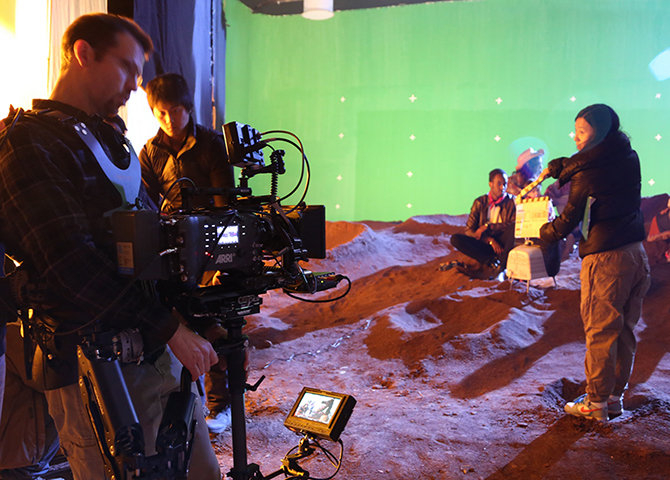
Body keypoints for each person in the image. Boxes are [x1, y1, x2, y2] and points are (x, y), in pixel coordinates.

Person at [0, 13, 221, 479]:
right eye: (126, 67)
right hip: (95, 364)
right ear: (83, 53)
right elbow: (69, 267)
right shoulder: (27, 143)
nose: (135, 86)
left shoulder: (110, 138)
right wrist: (170, 329)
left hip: (155, 350)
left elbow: (151, 241)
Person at [539, 104, 651, 421]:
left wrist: (545, 232)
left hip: (605, 260)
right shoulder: (628, 156)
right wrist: (563, 166)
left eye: (582, 132)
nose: (575, 137)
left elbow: (568, 219)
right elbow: (594, 160)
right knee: (624, 330)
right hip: (634, 253)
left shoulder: (587, 174)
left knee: (601, 331)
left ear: (599, 132)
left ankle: (596, 403)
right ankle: (613, 398)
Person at [140, 72, 235, 434]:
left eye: (175, 110)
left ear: (188, 107)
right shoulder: (150, 151)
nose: (169, 119)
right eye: (161, 113)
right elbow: (145, 203)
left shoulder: (211, 144)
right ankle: (192, 403)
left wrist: (221, 253)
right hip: (172, 246)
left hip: (211, 241)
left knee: (215, 315)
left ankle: (223, 404)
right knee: (181, 316)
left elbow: (224, 201)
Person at [447, 169, 516, 278]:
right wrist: (489, 240)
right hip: (486, 243)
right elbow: (469, 230)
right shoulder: (480, 202)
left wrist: (489, 226)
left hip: (504, 243)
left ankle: (501, 266)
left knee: (515, 227)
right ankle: (491, 261)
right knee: (456, 239)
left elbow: (513, 224)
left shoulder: (512, 202)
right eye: (499, 184)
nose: (502, 187)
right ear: (490, 184)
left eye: (505, 184)